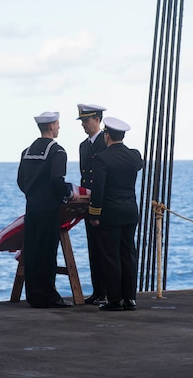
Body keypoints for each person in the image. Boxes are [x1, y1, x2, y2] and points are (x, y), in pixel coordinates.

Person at [17, 111, 76, 308]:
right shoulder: (57, 152)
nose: (59, 127)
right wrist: (68, 195)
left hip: (32, 208)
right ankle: (49, 295)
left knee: (33, 251)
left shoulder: (26, 151)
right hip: (49, 208)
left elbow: (20, 181)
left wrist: (32, 196)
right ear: (51, 126)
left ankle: (33, 295)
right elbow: (57, 181)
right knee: (48, 252)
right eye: (58, 124)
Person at [88, 116, 143, 311]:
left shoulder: (102, 158)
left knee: (111, 255)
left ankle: (114, 299)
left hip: (110, 213)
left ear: (107, 135)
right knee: (128, 253)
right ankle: (130, 298)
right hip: (130, 211)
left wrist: (94, 214)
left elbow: (99, 189)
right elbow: (139, 164)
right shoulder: (134, 156)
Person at [77, 103, 107, 305]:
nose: (83, 125)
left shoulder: (106, 143)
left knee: (105, 250)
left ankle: (106, 292)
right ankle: (97, 291)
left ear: (97, 119)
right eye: (82, 121)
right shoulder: (83, 146)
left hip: (103, 204)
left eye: (86, 120)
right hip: (89, 204)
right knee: (93, 250)